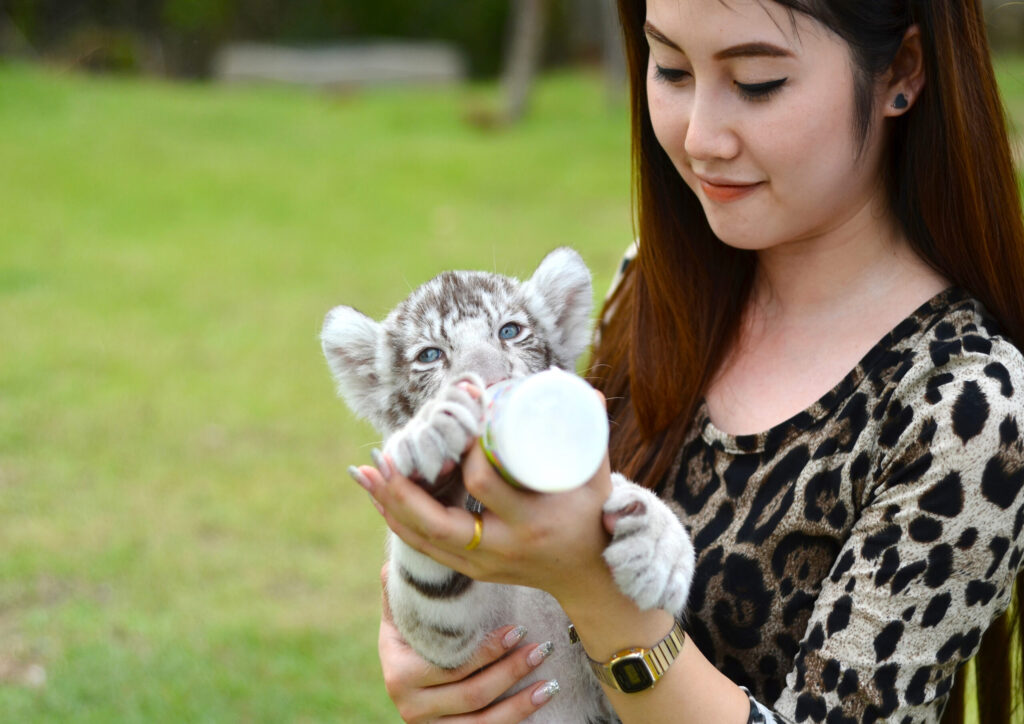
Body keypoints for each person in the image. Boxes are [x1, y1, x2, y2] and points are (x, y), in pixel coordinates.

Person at [351, 0, 1024, 721]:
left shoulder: (971, 408)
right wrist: (438, 651)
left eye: (758, 82)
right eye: (669, 67)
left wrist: (599, 598)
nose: (700, 138)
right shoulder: (656, 283)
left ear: (901, 72)